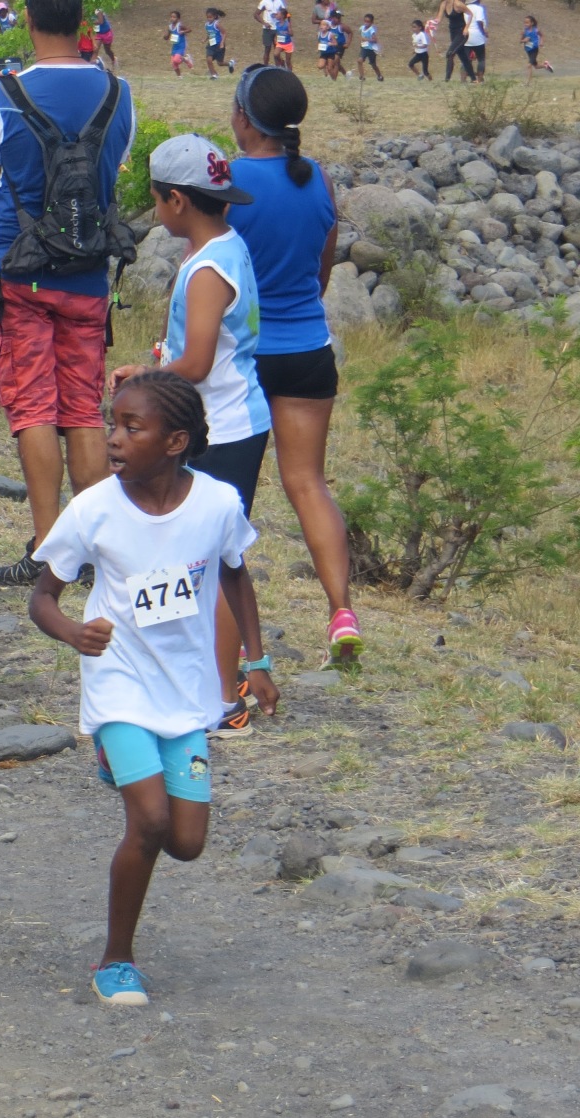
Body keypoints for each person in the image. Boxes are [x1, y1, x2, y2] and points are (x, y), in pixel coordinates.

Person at [28, 370, 278, 1007]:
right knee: (149, 822)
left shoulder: (217, 504)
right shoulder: (94, 509)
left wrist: (256, 661)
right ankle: (117, 960)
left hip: (185, 691)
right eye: (112, 424)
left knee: (186, 842)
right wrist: (73, 632)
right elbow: (42, 597)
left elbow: (236, 575)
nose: (112, 438)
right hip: (118, 681)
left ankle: (120, 762)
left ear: (175, 442)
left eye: (130, 427)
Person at [111, 133, 271, 737]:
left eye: (156, 199)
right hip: (231, 419)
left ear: (176, 200)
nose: (155, 209)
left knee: (216, 561)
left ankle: (225, 696)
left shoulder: (206, 269)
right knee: (204, 556)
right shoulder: (224, 245)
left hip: (222, 428)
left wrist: (144, 377)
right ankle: (205, 678)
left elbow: (198, 361)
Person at [0, 0, 135, 587]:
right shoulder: (120, 94)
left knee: (33, 407)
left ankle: (47, 548)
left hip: (18, 268)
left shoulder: (1, 94)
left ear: (29, 20)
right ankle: (90, 550)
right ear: (84, 23)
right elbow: (112, 171)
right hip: (88, 273)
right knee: (83, 410)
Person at [227, 65, 362, 668]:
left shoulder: (228, 180)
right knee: (309, 482)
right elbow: (321, 273)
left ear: (244, 118)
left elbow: (210, 271)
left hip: (243, 357)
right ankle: (341, 612)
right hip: (309, 350)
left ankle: (230, 638)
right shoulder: (319, 179)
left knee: (227, 496)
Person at [439, 0, 474, 82]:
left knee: (450, 54)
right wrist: (430, 24)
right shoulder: (443, 4)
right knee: (463, 57)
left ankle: (447, 80)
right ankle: (474, 79)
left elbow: (470, 14)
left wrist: (466, 28)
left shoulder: (458, 4)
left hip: (462, 32)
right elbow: (438, 19)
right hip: (453, 33)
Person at [204, 8, 232, 77]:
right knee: (209, 60)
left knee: (220, 63)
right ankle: (214, 75)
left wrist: (222, 43)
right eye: (207, 17)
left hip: (218, 45)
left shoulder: (217, 24)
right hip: (211, 45)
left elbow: (224, 33)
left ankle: (230, 64)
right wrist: (205, 39)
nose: (209, 19)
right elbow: (209, 33)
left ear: (214, 16)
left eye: (210, 17)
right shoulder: (206, 25)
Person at [463, 0, 486, 80]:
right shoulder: (479, 8)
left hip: (465, 36)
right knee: (481, 59)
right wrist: (484, 32)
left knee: (465, 59)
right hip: (477, 36)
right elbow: (479, 22)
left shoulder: (464, 8)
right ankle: (480, 79)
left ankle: (463, 79)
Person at [357, 13, 382, 79]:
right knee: (359, 60)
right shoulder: (362, 28)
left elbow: (375, 40)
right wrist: (361, 39)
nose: (366, 23)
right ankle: (362, 76)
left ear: (371, 22)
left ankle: (379, 75)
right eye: (365, 21)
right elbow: (360, 34)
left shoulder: (371, 30)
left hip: (371, 49)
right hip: (364, 48)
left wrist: (366, 39)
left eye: (368, 22)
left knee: (373, 65)